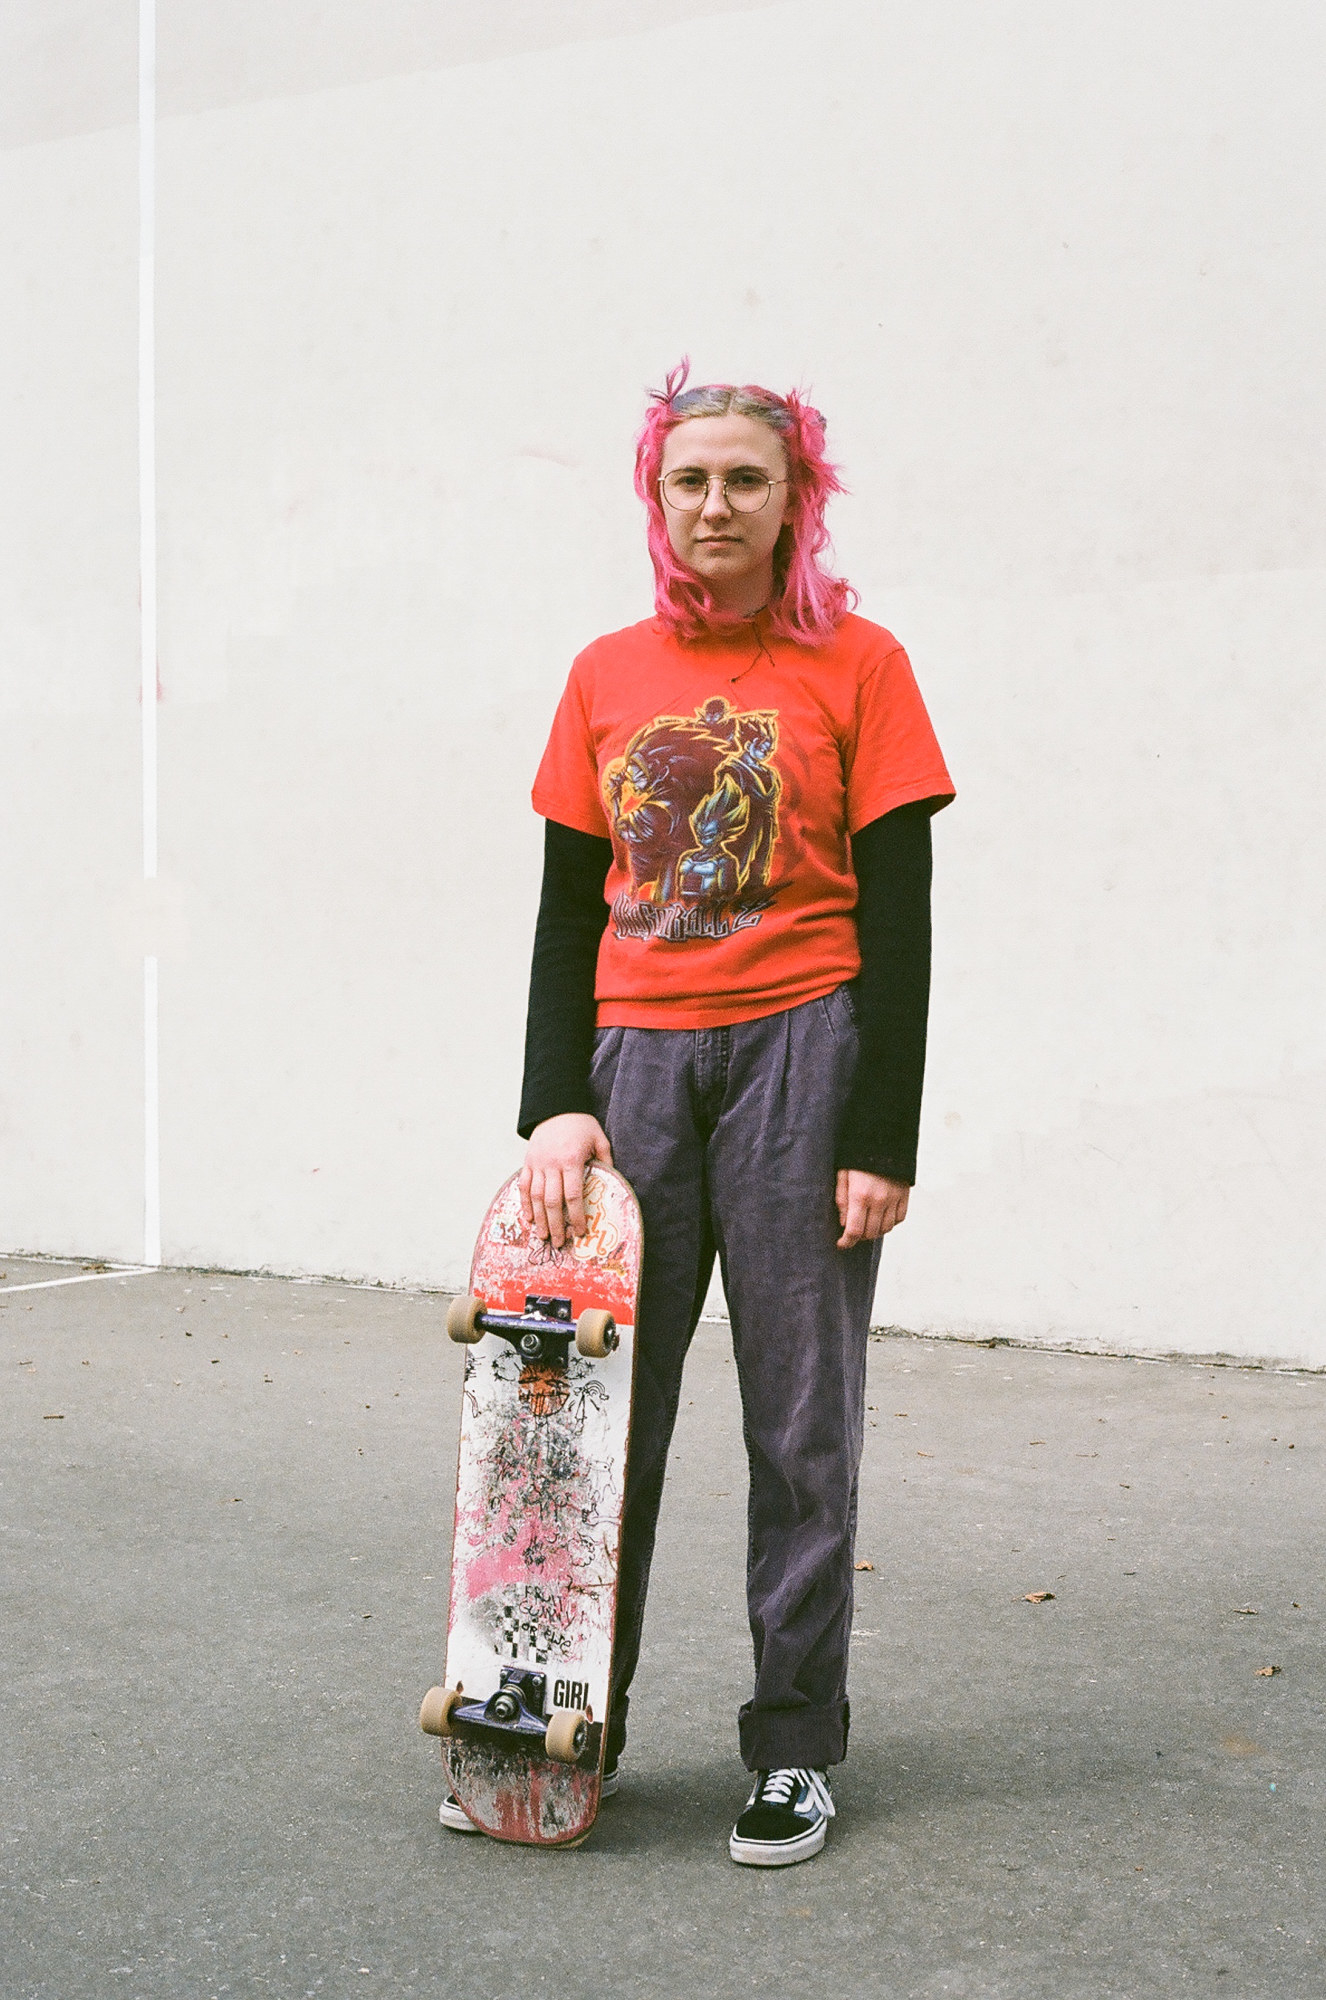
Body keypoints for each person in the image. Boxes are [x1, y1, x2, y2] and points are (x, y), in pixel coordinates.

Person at [442, 363, 953, 1865]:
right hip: (634, 1069)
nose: (715, 503)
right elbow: (557, 910)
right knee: (588, 1420)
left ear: (798, 497)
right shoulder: (605, 671)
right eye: (689, 479)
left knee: (801, 1431)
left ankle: (792, 1748)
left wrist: (882, 1136)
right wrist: (554, 1102)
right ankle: (549, 1724)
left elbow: (905, 919)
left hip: (805, 1049)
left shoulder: (862, 665)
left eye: (745, 478)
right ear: (653, 497)